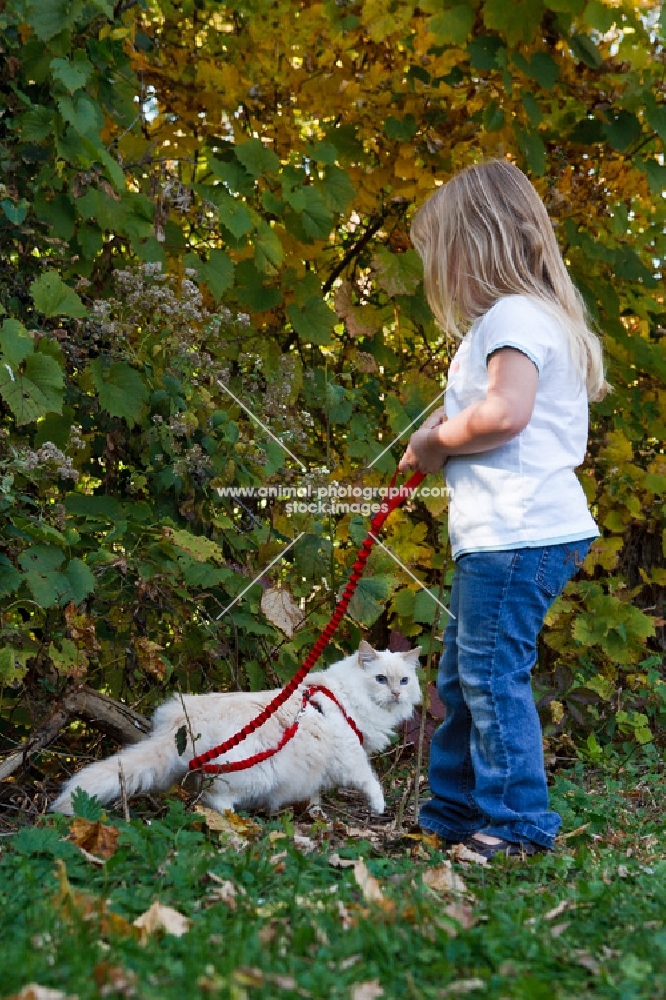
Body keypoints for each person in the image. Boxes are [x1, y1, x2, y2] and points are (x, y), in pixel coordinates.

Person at [398, 158, 608, 860]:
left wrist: (433, 443)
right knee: (464, 676)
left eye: (442, 257)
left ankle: (517, 826)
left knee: (489, 677)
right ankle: (453, 813)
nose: (441, 277)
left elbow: (505, 413)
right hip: (505, 534)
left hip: (517, 532)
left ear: (475, 246)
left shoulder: (515, 315)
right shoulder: (522, 319)